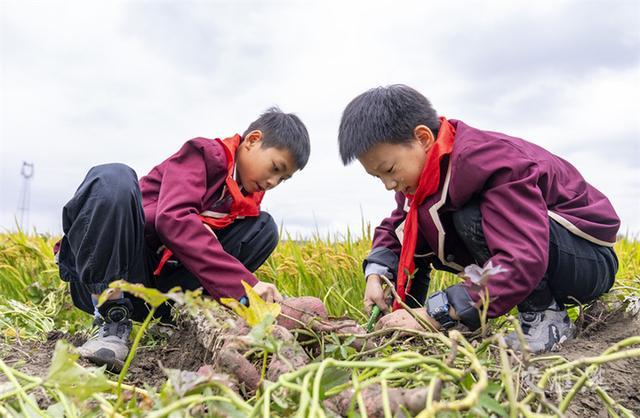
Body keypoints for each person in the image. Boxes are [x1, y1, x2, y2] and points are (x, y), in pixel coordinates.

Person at [337, 85, 619, 353]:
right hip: (541, 251)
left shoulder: (490, 163)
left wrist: (441, 310)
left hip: (587, 260)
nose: (388, 184)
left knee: (471, 215)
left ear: (423, 139)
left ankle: (545, 317)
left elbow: (523, 256)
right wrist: (377, 273)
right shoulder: (424, 179)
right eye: (378, 177)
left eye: (389, 169)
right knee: (420, 226)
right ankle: (403, 323)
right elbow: (400, 227)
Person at [54, 107, 310, 370]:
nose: (273, 181)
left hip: (157, 288)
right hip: (119, 266)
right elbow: (170, 218)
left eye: (283, 178)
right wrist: (246, 283)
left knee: (263, 229)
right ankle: (111, 318)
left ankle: (180, 318)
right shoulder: (205, 156)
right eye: (275, 168)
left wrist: (250, 298)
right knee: (113, 177)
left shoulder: (243, 203)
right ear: (253, 140)